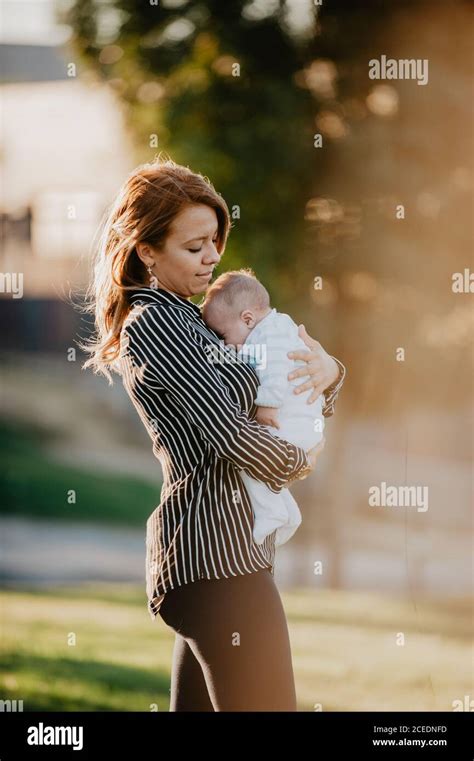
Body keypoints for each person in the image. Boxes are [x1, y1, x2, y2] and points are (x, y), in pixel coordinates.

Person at [80, 156, 346, 711]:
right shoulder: (156, 324)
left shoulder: (196, 319)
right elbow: (228, 431)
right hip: (213, 560)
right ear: (147, 251)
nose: (212, 258)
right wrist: (300, 458)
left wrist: (329, 374)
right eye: (194, 246)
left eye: (215, 242)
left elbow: (270, 380)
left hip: (227, 558)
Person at [201, 268, 326, 547]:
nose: (222, 343)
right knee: (256, 458)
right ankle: (285, 510)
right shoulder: (258, 333)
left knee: (251, 455)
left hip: (296, 422)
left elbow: (277, 368)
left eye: (222, 334)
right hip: (299, 422)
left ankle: (272, 512)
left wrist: (267, 405)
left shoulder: (274, 330)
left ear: (247, 318)